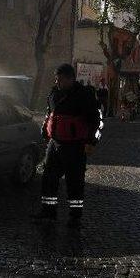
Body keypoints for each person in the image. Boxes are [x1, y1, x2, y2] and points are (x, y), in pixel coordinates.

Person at [33, 64, 103, 227]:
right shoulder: (54, 93)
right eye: (56, 79)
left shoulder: (84, 95)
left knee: (75, 182)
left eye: (61, 80)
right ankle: (48, 212)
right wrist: (45, 130)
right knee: (49, 178)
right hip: (55, 143)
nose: (58, 82)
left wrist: (92, 142)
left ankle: (75, 217)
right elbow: (49, 114)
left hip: (75, 146)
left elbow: (97, 120)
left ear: (71, 79)